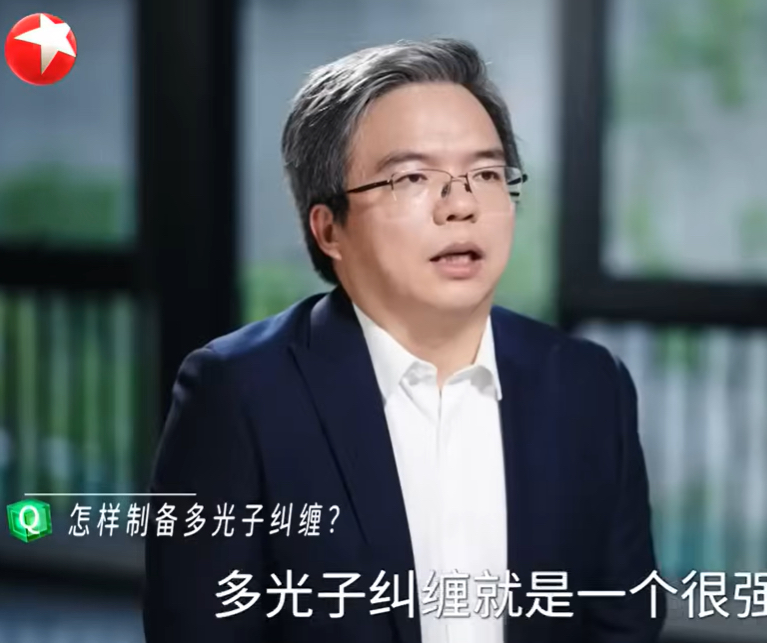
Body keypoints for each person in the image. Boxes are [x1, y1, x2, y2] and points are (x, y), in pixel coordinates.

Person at [142, 38, 664, 643]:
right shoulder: (237, 395)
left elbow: (623, 621)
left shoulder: (587, 385)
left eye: (486, 174)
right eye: (413, 177)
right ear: (329, 229)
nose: (461, 205)